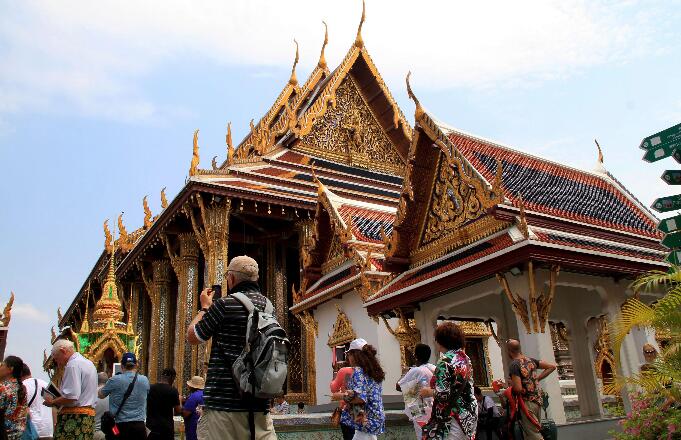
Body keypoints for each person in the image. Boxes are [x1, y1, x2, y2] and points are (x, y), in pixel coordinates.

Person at [186, 255, 276, 440]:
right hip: (259, 404)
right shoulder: (269, 307)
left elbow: (193, 336)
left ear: (232, 279)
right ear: (256, 279)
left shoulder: (224, 304)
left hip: (223, 406)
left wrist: (204, 308)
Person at [420, 322, 477, 440]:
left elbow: (443, 394)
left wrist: (428, 392)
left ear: (441, 341)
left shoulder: (445, 361)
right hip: (469, 412)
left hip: (453, 416)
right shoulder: (465, 358)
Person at [44, 339, 97, 440]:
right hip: (87, 417)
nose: (56, 362)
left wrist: (53, 401)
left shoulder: (73, 364)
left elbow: (72, 396)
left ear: (63, 351)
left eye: (56, 358)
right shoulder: (89, 363)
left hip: (74, 417)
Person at [332, 338, 385, 440]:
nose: (348, 358)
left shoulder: (358, 371)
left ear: (355, 356)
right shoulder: (375, 372)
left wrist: (340, 395)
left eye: (349, 355)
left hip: (365, 419)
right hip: (376, 417)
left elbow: (361, 398)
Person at [506, 339, 556, 440]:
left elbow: (518, 389)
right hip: (537, 400)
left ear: (509, 351)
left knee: (533, 433)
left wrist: (511, 384)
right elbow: (552, 366)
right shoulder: (531, 361)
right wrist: (537, 379)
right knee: (532, 432)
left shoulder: (514, 365)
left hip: (527, 402)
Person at [99, 352, 150, 440]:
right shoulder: (145, 380)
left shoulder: (114, 380)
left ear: (122, 366)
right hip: (139, 427)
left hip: (120, 427)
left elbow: (101, 395)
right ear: (136, 365)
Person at [397, 343, 436, 440]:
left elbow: (398, 386)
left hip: (420, 409)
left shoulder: (416, 370)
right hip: (433, 406)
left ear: (416, 356)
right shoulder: (433, 367)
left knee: (422, 435)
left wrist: (405, 373)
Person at [146, 367, 181, 440]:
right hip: (166, 428)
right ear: (172, 377)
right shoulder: (173, 390)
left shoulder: (150, 388)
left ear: (162, 376)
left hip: (151, 426)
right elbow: (178, 410)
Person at [21, 364, 53, 440]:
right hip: (48, 430)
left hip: (32, 431)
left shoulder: (22, 386)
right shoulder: (45, 384)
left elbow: (23, 410)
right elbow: (54, 407)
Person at [0, 356, 28, 440]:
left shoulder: (3, 388)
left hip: (4, 433)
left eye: (2, 365)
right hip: (18, 433)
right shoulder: (21, 387)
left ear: (10, 369)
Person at [330, 366, 355, 440]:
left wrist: (335, 374)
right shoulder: (371, 371)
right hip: (367, 415)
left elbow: (334, 388)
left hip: (349, 414)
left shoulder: (345, 371)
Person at [93, 373, 109, 440]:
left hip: (93, 432)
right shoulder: (113, 394)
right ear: (107, 381)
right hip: (109, 432)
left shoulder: (91, 393)